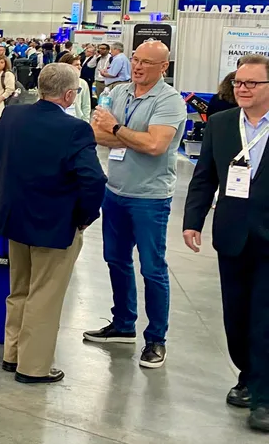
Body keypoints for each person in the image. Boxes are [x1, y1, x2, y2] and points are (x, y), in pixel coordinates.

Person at [0, 64, 106, 384]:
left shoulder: (12, 116)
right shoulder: (75, 129)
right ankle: (33, 367)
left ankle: (12, 353)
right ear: (70, 94)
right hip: (56, 225)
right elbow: (93, 181)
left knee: (19, 289)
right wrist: (84, 218)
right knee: (44, 297)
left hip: (13, 219)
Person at [86, 40, 187, 369]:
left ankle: (156, 338)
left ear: (164, 67)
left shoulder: (169, 102)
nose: (138, 66)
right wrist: (131, 136)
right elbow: (95, 134)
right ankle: (123, 323)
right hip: (115, 190)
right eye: (135, 59)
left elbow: (156, 145)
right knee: (115, 259)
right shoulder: (119, 93)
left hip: (150, 197)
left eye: (147, 62)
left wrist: (117, 128)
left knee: (153, 269)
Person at [182, 54, 269, 427]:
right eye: (238, 83)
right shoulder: (219, 124)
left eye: (252, 83)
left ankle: (263, 397)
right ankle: (247, 375)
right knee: (236, 315)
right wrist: (193, 221)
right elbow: (204, 178)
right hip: (233, 235)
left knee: (264, 318)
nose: (243, 89)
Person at [58, 52, 92, 121]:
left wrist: (86, 121)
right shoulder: (56, 82)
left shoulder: (82, 83)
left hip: (77, 120)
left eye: (80, 64)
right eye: (76, 65)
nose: (80, 67)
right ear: (67, 66)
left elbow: (86, 105)